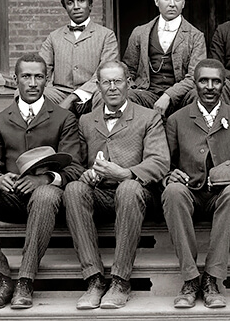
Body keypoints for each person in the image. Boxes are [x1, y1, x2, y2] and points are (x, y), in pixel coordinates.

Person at [0, 53, 83, 309]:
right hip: (11, 198)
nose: (33, 82)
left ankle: (25, 280)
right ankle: (1, 279)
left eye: (38, 76)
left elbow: (76, 168)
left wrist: (46, 179)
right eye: (26, 76)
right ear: (16, 79)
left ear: (47, 80)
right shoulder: (0, 120)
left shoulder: (63, 118)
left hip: (47, 203)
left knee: (46, 194)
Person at [62, 60, 170, 310]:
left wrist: (126, 173)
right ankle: (94, 279)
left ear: (128, 84)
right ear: (97, 86)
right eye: (106, 82)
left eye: (118, 81)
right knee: (74, 189)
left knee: (129, 188)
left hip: (137, 194)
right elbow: (75, 164)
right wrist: (86, 175)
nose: (112, 87)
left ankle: (120, 281)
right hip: (100, 194)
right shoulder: (86, 121)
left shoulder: (148, 117)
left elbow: (160, 161)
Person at [162, 59, 230, 309]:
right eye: (204, 80)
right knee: (172, 191)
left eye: (216, 81)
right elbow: (165, 166)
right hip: (189, 193)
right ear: (195, 84)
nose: (210, 86)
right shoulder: (176, 120)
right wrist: (169, 176)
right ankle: (191, 279)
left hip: (221, 195)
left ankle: (212, 279)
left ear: (224, 85)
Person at [123, 0, 206, 118]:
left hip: (181, 97)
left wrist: (169, 95)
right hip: (146, 94)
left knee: (198, 95)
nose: (172, 4)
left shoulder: (196, 36)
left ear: (184, 3)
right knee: (126, 96)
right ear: (157, 1)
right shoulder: (140, 32)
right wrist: (131, 86)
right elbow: (128, 69)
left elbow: (194, 76)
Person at [39, 0, 119, 116]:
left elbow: (105, 72)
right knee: (28, 93)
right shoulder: (54, 37)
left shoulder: (106, 35)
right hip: (60, 94)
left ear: (90, 5)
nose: (76, 6)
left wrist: (74, 96)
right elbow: (41, 69)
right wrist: (45, 86)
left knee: (105, 95)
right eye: (70, 3)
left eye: (81, 1)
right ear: (65, 8)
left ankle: (101, 135)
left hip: (93, 94)